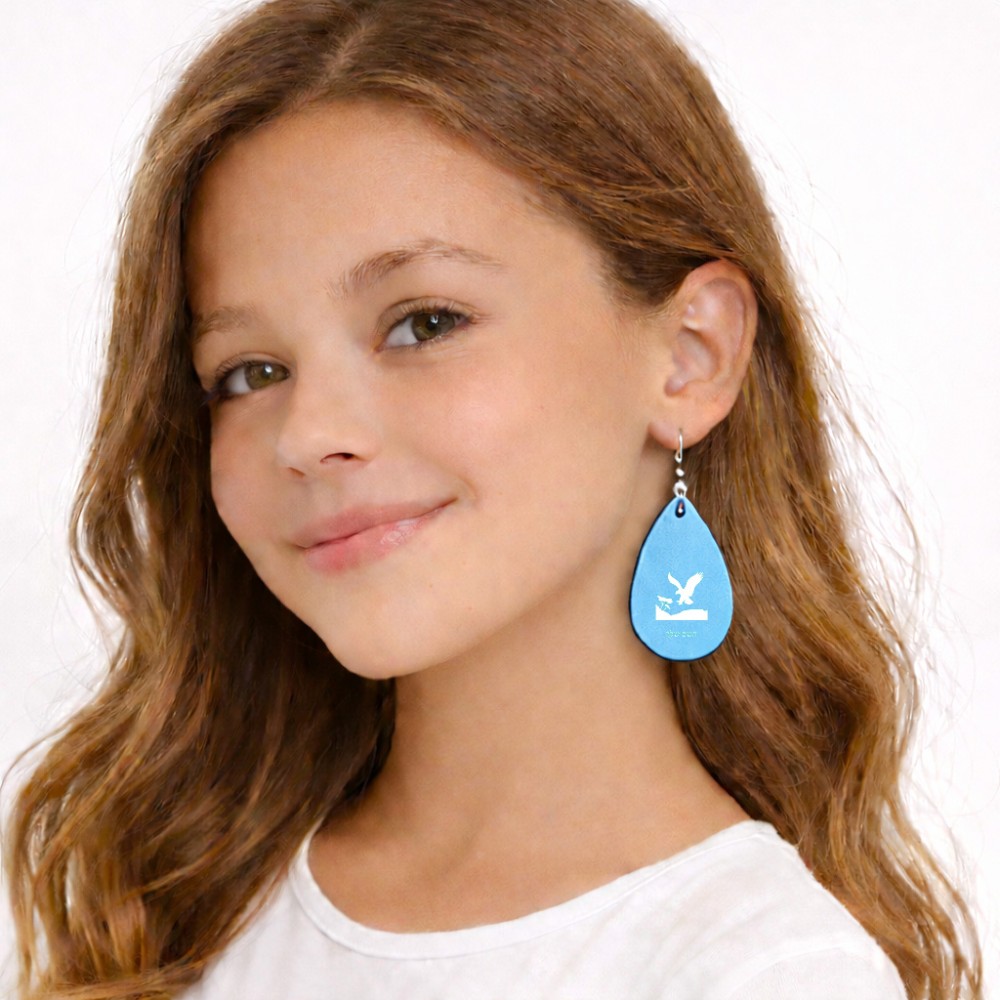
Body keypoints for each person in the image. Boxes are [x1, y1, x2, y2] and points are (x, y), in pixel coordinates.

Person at [2, 0, 983, 997]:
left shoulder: (762, 970)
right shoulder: (179, 906)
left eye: (424, 323)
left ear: (691, 354)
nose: (306, 434)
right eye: (249, 373)